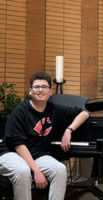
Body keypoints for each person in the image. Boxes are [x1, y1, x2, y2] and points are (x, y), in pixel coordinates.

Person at [0, 71, 89, 200]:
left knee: (60, 170)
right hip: (9, 153)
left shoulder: (54, 109)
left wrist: (68, 130)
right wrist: (36, 171)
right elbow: (19, 146)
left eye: (44, 87)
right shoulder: (20, 111)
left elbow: (84, 112)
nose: (40, 90)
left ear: (50, 91)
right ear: (30, 91)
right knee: (23, 171)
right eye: (37, 87)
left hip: (35, 154)